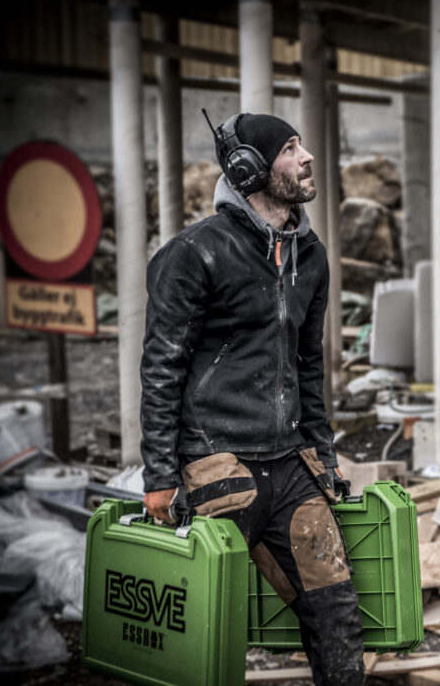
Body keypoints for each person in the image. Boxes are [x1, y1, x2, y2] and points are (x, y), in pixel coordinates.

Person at [139, 112, 364, 685]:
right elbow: (162, 367)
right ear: (250, 169)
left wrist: (323, 452)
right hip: (217, 463)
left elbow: (308, 365)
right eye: (290, 148)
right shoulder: (193, 253)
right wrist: (160, 475)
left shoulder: (310, 256)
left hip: (289, 467)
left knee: (336, 611)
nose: (307, 156)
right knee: (206, 627)